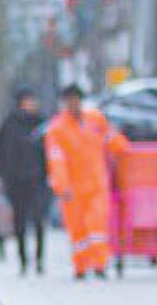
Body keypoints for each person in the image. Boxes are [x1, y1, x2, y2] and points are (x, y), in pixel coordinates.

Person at [44, 83, 130, 279]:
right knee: (78, 230)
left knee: (97, 225)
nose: (73, 104)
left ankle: (100, 264)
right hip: (72, 189)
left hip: (97, 184)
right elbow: (56, 159)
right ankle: (81, 266)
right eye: (69, 101)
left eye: (76, 100)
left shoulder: (95, 120)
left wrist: (124, 148)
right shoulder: (57, 129)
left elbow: (111, 139)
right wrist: (61, 185)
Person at [0, 89, 52, 275]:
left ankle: (39, 259)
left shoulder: (41, 123)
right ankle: (23, 259)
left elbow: (50, 150)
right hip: (16, 179)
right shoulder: (10, 124)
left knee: (39, 219)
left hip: (38, 179)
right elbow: (1, 151)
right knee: (19, 220)